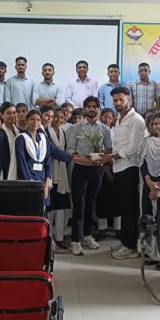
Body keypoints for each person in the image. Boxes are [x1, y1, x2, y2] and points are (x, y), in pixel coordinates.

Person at [102, 86, 145, 260]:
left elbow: (133, 148)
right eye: (115, 100)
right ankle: (126, 242)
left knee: (130, 209)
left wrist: (112, 157)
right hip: (119, 167)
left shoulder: (136, 120)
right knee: (123, 207)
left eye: (121, 99)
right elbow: (118, 143)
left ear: (130, 100)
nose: (118, 103)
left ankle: (131, 246)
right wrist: (107, 154)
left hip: (130, 167)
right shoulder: (119, 118)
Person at [66, 96, 112, 256]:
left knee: (91, 203)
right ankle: (75, 240)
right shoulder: (76, 128)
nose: (92, 109)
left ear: (99, 109)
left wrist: (100, 156)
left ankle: (87, 235)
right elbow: (70, 150)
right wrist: (82, 158)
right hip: (80, 168)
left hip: (97, 169)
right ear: (85, 109)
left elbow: (109, 149)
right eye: (89, 106)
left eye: (94, 106)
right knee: (79, 204)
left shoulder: (105, 129)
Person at [46, 106, 72, 250]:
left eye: (61, 117)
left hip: (62, 171)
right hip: (51, 172)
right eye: (55, 116)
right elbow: (53, 152)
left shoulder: (63, 132)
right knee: (50, 206)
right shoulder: (45, 131)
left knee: (61, 205)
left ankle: (60, 236)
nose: (58, 120)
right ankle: (49, 237)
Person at [15, 109, 53, 205]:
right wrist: (30, 184)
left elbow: (48, 161)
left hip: (43, 179)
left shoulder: (43, 138)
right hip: (27, 180)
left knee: (42, 209)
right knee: (30, 208)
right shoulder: (21, 139)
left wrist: (47, 183)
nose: (35, 122)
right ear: (27, 121)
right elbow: (22, 163)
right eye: (32, 119)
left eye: (38, 120)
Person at [0, 102, 20, 180]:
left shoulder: (18, 132)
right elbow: (2, 159)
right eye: (8, 113)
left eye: (14, 112)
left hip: (18, 172)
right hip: (5, 174)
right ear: (1, 115)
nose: (12, 115)